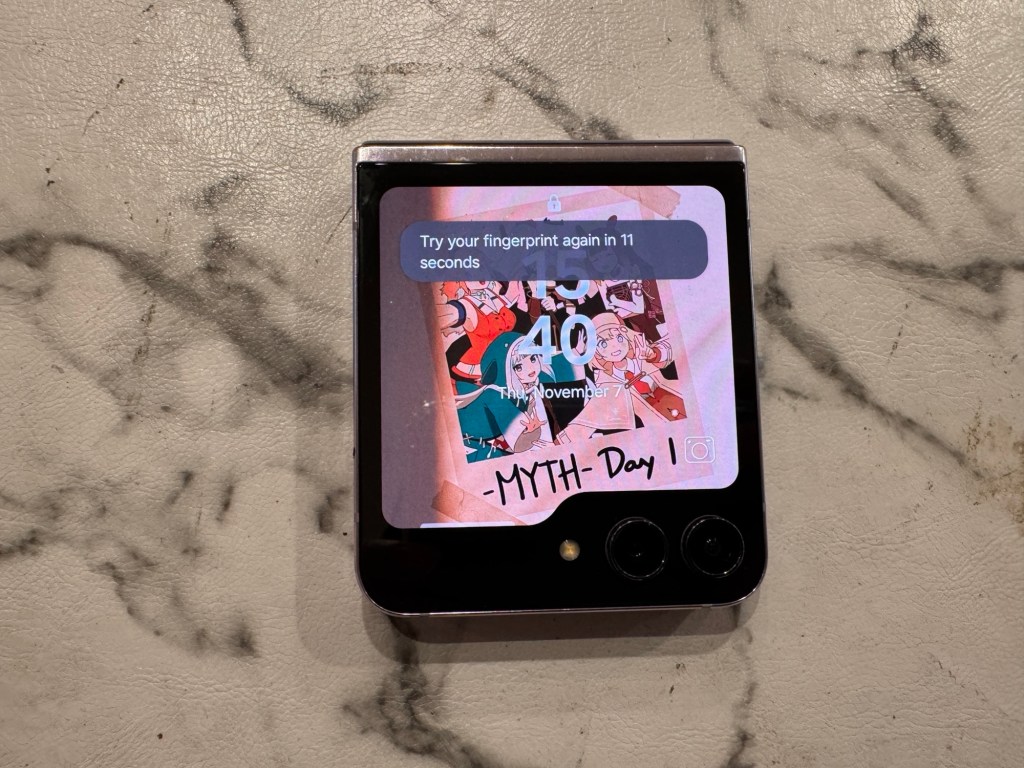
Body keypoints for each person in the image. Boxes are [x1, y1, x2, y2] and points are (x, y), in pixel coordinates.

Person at [455, 332, 583, 463]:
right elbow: (520, 445)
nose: (530, 368)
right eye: (518, 366)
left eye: (532, 358)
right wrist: (533, 431)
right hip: (469, 447)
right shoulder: (497, 394)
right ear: (506, 372)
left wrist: (579, 353)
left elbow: (558, 368)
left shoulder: (531, 378)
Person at [561, 313, 686, 441]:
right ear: (595, 351)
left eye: (619, 338)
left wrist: (654, 354)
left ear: (627, 336)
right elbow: (585, 422)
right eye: (603, 344)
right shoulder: (608, 385)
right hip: (662, 429)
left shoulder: (643, 356)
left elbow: (674, 342)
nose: (614, 346)